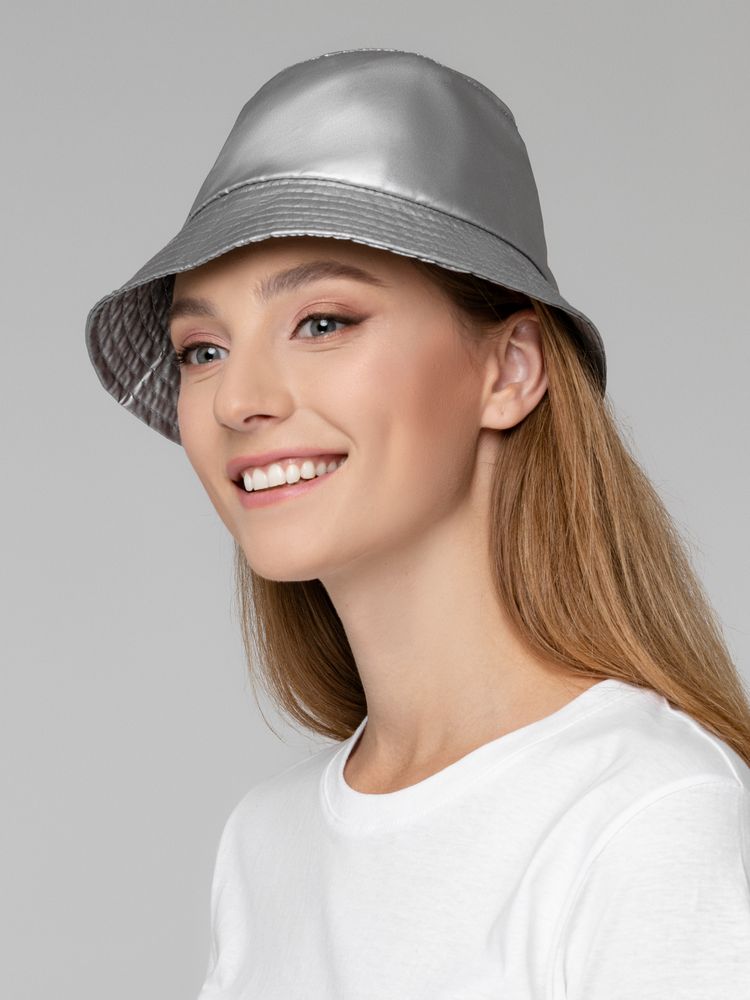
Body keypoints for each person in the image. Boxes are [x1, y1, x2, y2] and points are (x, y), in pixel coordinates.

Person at [84, 49, 750, 999]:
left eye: (323, 322)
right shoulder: (265, 847)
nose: (237, 399)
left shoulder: (642, 816)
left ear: (510, 370)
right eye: (202, 348)